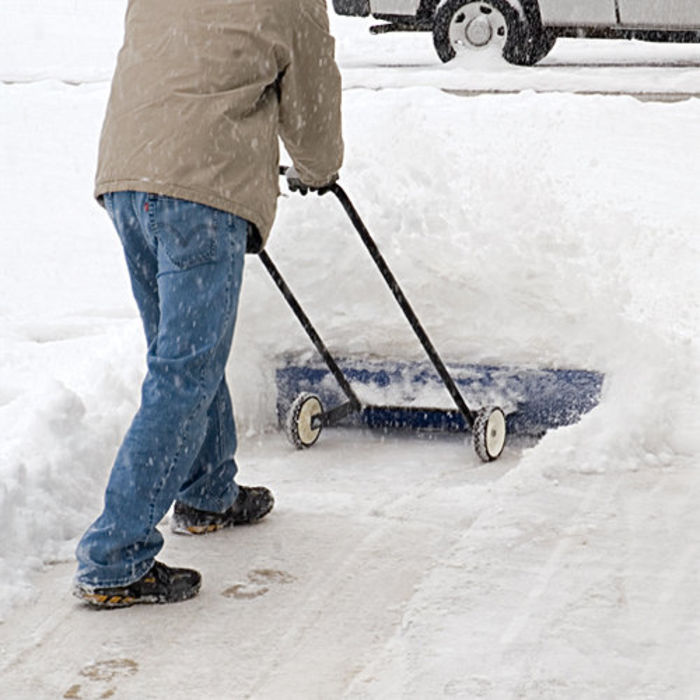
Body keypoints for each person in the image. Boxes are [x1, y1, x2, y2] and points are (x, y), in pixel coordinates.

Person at [73, 0, 343, 608]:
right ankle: (114, 557)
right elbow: (312, 100)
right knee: (185, 373)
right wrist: (318, 168)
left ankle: (207, 491)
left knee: (179, 359)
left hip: (128, 178)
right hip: (202, 190)